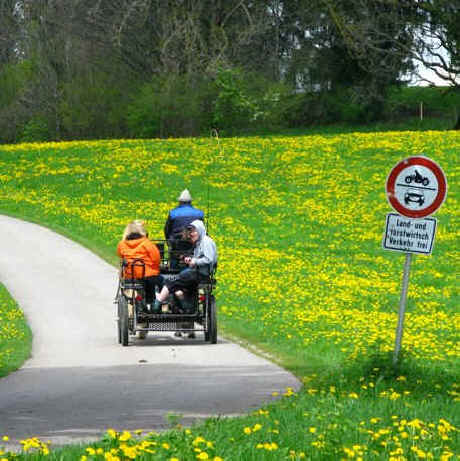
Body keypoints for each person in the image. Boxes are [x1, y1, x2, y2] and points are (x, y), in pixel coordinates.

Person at [155, 219, 217, 337]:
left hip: (200, 274)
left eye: (194, 232)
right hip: (197, 272)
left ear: (200, 230)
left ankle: (159, 300)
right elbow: (200, 257)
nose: (191, 234)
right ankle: (184, 303)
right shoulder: (201, 242)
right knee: (181, 282)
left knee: (172, 280)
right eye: (190, 232)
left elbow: (209, 259)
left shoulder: (206, 242)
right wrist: (191, 259)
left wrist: (195, 261)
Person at [117, 220, 164, 310]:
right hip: (147, 275)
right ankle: (154, 302)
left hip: (129, 276)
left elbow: (121, 257)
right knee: (161, 281)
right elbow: (156, 259)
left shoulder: (122, 244)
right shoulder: (146, 243)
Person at [164, 189, 204, 270]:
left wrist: (169, 241)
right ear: (190, 202)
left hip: (177, 245)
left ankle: (173, 270)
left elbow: (167, 230)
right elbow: (202, 230)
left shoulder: (173, 213)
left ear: (180, 202)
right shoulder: (199, 213)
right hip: (194, 245)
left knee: (173, 253)